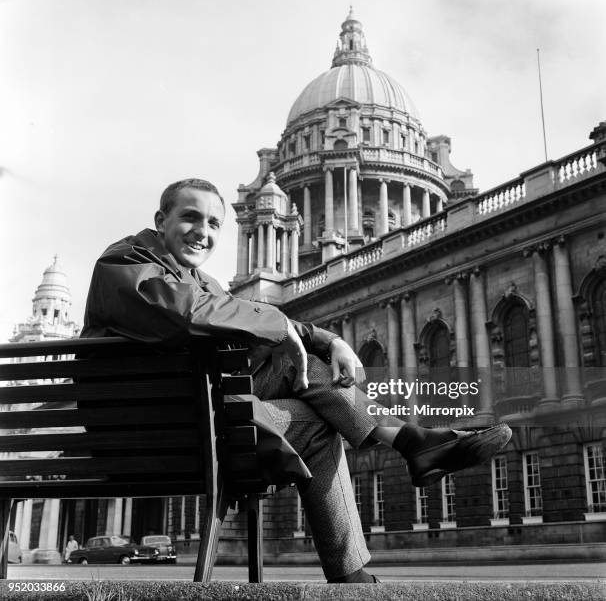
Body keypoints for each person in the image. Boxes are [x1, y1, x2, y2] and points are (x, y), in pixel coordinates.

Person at [82, 178, 512, 583]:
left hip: (190, 424)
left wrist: (325, 339)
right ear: (161, 222)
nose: (203, 232)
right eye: (190, 217)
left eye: (214, 223)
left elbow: (236, 320)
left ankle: (413, 446)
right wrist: (284, 328)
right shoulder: (126, 262)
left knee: (297, 365)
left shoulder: (200, 283)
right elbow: (188, 311)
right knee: (320, 424)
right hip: (158, 436)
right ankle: (364, 550)